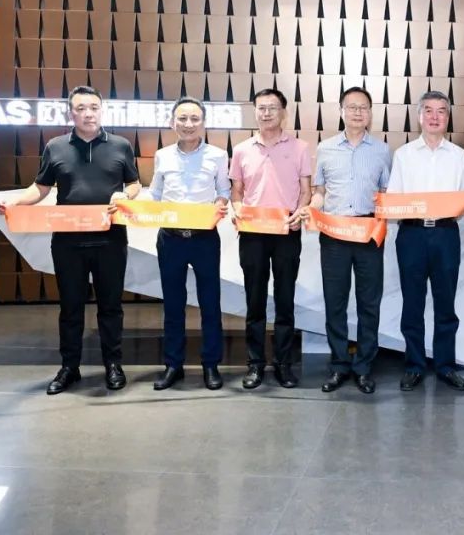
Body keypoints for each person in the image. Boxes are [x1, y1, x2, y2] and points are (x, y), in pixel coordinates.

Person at [0, 85, 140, 395]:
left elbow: (134, 183)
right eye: (81, 108)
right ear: (71, 113)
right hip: (67, 241)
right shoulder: (56, 146)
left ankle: (113, 364)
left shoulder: (121, 145)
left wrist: (124, 195)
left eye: (94, 107)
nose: (88, 113)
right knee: (70, 307)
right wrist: (15, 203)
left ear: (101, 110)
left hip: (110, 239)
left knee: (111, 307)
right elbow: (41, 188)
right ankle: (69, 367)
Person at [300, 87, 391, 394]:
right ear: (341, 111)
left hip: (368, 233)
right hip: (334, 235)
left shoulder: (381, 150)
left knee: (369, 303)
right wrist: (311, 208)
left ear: (370, 113)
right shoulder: (325, 148)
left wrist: (382, 220)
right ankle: (339, 365)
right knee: (335, 301)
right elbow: (320, 192)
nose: (357, 112)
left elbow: (385, 195)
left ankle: (364, 367)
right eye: (351, 107)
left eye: (363, 107)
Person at [387, 91, 464, 392]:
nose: (435, 116)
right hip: (412, 234)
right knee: (412, 303)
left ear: (448, 116)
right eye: (429, 110)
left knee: (445, 303)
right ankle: (414, 365)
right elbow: (395, 197)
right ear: (419, 116)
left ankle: (446, 365)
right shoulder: (404, 154)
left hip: (446, 234)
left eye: (441, 111)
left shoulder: (459, 156)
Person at [230, 88, 312, 389]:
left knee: (285, 299)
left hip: (286, 231)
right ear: (255, 112)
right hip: (253, 233)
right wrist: (237, 210)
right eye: (261, 108)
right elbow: (236, 192)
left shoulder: (300, 148)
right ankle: (255, 364)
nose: (266, 113)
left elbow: (306, 191)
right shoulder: (242, 150)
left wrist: (300, 212)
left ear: (283, 113)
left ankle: (283, 363)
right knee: (254, 301)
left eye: (272, 108)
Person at [148, 97, 230, 391]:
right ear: (172, 122)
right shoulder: (162, 155)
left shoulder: (218, 156)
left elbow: (223, 191)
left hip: (204, 238)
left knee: (210, 303)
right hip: (170, 238)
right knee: (173, 304)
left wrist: (220, 204)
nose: (188, 124)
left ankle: (211, 365)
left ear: (204, 123)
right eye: (182, 118)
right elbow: (155, 194)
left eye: (195, 118)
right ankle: (173, 365)